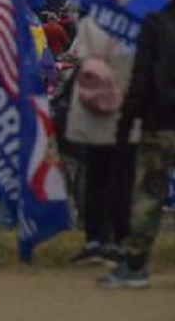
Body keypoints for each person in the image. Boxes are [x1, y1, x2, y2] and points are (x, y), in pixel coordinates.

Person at [100, 0, 175, 289]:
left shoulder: (156, 25)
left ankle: (134, 264)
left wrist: (126, 119)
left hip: (160, 121)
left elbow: (141, 77)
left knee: (148, 193)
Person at [65, 15, 135, 267]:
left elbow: (76, 57)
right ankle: (119, 240)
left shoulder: (89, 23)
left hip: (91, 108)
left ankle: (94, 239)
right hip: (123, 107)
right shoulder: (134, 23)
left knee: (95, 177)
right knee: (122, 181)